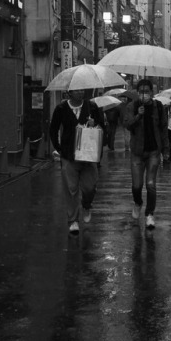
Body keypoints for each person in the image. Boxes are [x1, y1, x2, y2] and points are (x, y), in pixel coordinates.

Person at [50, 87, 105, 235]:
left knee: (90, 187)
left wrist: (95, 124)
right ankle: (73, 220)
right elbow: (53, 129)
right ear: (70, 92)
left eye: (82, 90)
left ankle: (86, 205)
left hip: (88, 156)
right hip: (68, 155)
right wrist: (59, 148)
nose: (81, 92)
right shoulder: (61, 108)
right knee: (71, 189)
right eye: (77, 90)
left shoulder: (92, 107)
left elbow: (102, 128)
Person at [124, 78, 170, 229]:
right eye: (141, 92)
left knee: (151, 184)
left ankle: (150, 214)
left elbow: (164, 128)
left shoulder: (158, 107)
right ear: (138, 93)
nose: (144, 95)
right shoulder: (132, 106)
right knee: (137, 185)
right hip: (137, 152)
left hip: (153, 152)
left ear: (152, 92)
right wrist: (138, 115)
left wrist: (166, 150)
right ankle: (138, 202)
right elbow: (127, 124)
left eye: (147, 91)